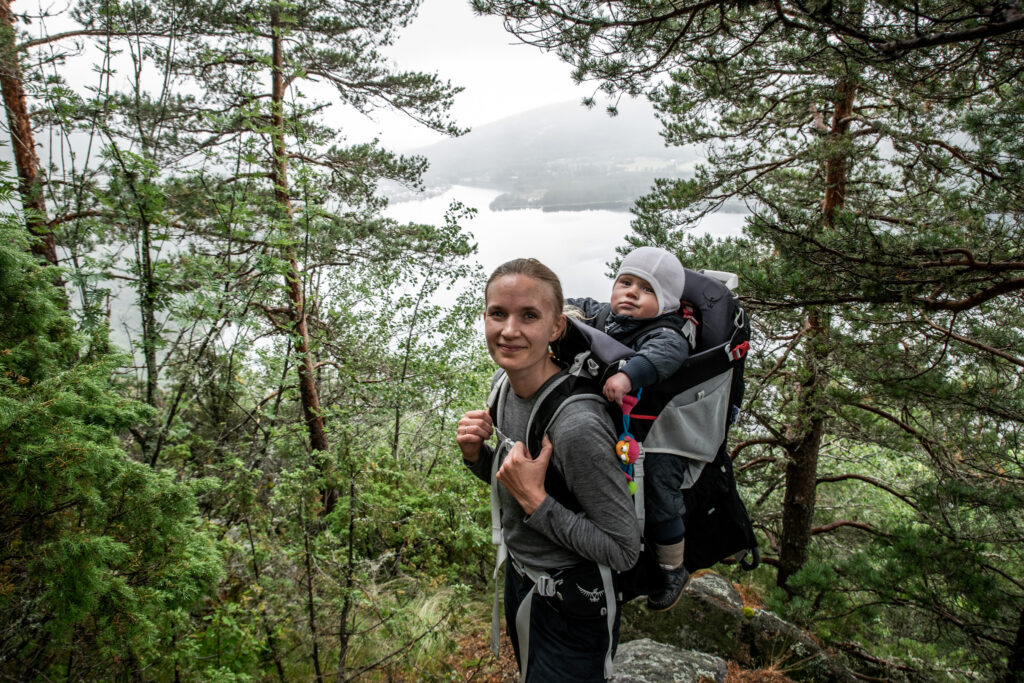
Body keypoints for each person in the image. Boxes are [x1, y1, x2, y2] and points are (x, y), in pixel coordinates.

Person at [457, 258, 640, 682]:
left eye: (529, 316)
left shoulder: (576, 426)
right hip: (523, 581)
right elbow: (514, 481)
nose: (509, 331)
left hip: (572, 606)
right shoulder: (503, 385)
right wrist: (476, 457)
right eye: (497, 313)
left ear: (556, 328)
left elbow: (624, 549)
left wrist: (535, 502)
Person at [567, 245, 694, 612]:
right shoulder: (607, 314)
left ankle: (673, 566)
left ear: (667, 302)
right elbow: (580, 304)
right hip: (617, 424)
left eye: (647, 289)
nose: (631, 294)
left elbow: (666, 353)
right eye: (625, 282)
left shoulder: (666, 330)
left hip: (658, 431)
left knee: (658, 484)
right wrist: (556, 310)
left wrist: (627, 375)